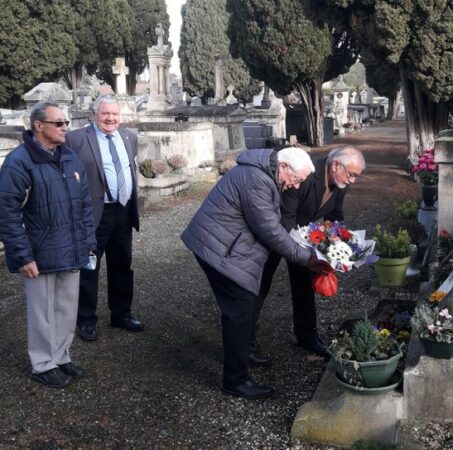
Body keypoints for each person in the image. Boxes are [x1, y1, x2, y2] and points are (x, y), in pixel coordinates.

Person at [181, 147, 330, 399]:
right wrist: (308, 258)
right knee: (239, 310)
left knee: (243, 307)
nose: (296, 186)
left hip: (226, 242)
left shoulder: (264, 174)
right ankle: (235, 381)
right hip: (217, 247)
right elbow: (270, 230)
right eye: (297, 179)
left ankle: (242, 354)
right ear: (283, 167)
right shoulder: (257, 180)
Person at [0, 101, 96, 388]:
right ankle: (42, 364)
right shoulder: (19, 162)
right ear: (38, 126)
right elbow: (7, 212)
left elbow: (84, 205)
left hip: (72, 247)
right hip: (40, 253)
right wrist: (22, 256)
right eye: (58, 123)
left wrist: (88, 241)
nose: (64, 127)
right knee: (42, 311)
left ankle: (61, 355)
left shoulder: (69, 157)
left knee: (67, 307)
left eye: (65, 122)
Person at [255, 146, 366, 358]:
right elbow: (285, 215)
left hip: (302, 230)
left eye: (355, 176)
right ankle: (247, 339)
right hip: (277, 229)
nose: (352, 180)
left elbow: (334, 214)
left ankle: (307, 335)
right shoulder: (305, 172)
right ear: (335, 165)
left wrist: (334, 245)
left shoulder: (341, 181)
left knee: (304, 282)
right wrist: (296, 248)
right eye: (351, 175)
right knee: (260, 281)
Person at [65, 94, 143, 341]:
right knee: (89, 267)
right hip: (93, 215)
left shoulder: (129, 137)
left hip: (123, 211)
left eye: (114, 114)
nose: (110, 118)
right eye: (105, 113)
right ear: (94, 114)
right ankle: (86, 319)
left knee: (122, 265)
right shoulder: (76, 139)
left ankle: (121, 314)